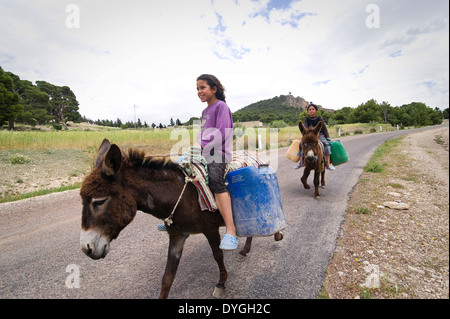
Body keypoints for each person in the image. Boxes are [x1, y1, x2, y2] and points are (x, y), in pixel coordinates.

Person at [157, 74, 238, 251]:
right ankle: (172, 218)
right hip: (204, 153)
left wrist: (200, 145)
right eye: (197, 89)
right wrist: (192, 149)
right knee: (179, 174)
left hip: (219, 154)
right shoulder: (204, 112)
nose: (199, 92)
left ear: (214, 89)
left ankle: (231, 231)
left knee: (216, 180)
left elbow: (222, 132)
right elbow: (203, 135)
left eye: (202, 88)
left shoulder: (221, 107)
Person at [294, 103, 335, 170]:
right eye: (309, 109)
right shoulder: (307, 119)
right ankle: (300, 161)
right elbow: (305, 128)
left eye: (313, 109)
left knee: (327, 144)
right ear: (308, 111)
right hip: (310, 136)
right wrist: (304, 137)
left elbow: (324, 128)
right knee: (301, 144)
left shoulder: (319, 118)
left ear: (316, 110)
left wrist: (327, 136)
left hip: (320, 135)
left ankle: (328, 163)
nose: (311, 111)